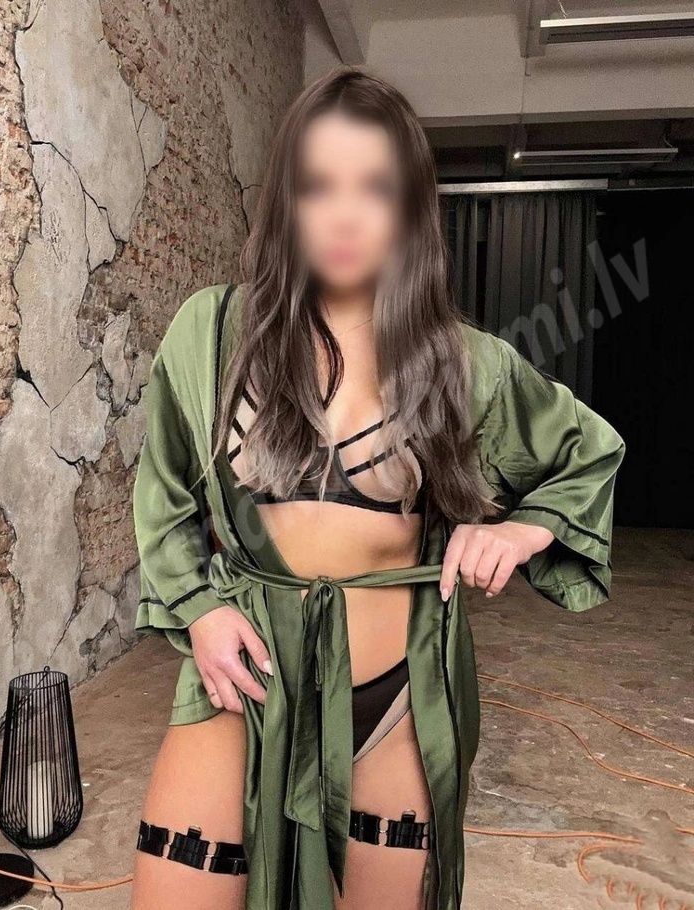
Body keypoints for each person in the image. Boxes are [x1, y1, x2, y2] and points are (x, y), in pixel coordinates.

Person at [129, 68, 624, 910]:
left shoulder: (462, 362)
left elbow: (588, 452)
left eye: (375, 188)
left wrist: (518, 531)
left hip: (397, 698)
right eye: (319, 186)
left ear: (411, 207)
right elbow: (165, 494)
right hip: (242, 683)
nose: (346, 215)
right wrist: (200, 611)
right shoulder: (210, 333)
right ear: (286, 202)